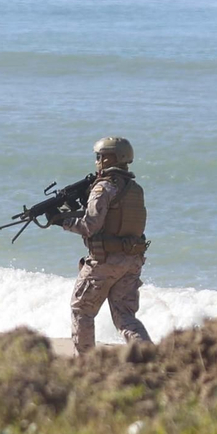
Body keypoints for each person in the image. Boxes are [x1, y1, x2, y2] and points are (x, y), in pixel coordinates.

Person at [48, 136, 152, 352]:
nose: (97, 160)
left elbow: (90, 226)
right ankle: (149, 356)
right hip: (132, 260)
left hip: (105, 260)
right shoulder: (135, 189)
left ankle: (86, 364)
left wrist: (62, 221)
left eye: (100, 156)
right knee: (125, 317)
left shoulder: (103, 188)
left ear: (110, 159)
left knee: (81, 309)